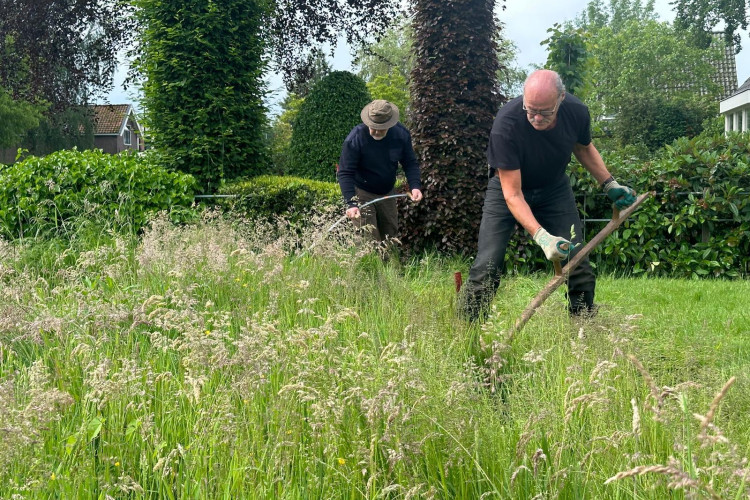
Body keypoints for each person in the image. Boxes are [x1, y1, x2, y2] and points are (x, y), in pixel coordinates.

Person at [462, 69, 636, 321]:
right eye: (530, 109)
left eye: (544, 111)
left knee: (578, 262)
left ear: (561, 98)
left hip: (554, 190)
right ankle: (468, 329)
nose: (535, 117)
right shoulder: (506, 124)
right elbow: (513, 194)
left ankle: (583, 327)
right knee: (487, 265)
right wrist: (542, 237)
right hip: (506, 193)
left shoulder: (576, 112)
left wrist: (609, 184)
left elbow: (583, 147)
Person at [337, 100, 423, 243]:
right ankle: (371, 265)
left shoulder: (401, 135)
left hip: (387, 192)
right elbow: (345, 172)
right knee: (368, 238)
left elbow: (410, 163)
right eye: (373, 127)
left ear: (390, 124)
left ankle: (390, 265)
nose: (376, 131)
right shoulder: (355, 139)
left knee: (390, 236)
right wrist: (352, 204)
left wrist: (415, 186)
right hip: (362, 192)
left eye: (381, 128)